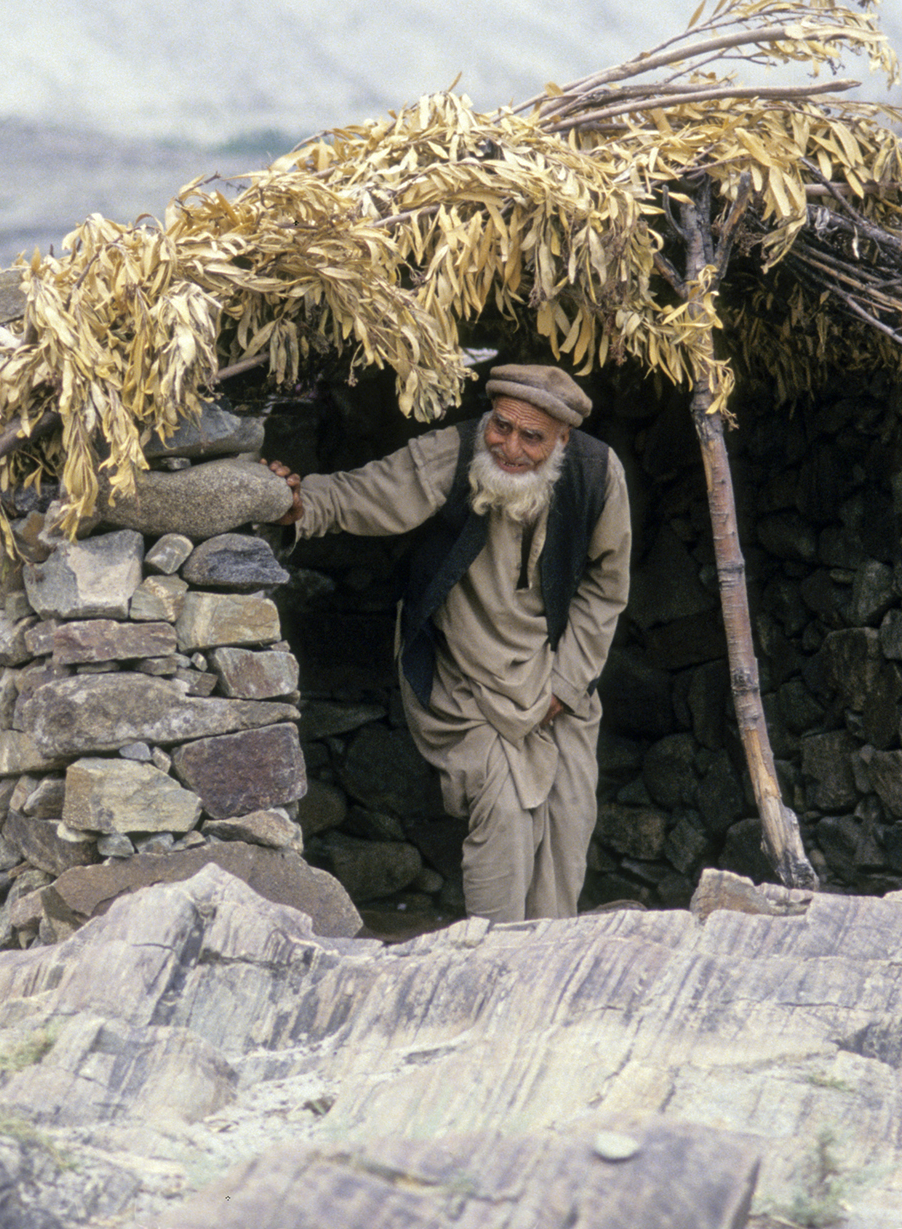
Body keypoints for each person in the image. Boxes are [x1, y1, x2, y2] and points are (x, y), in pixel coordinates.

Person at [267, 364, 630, 923]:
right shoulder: (456, 453)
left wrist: (568, 682)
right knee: (506, 816)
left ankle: (546, 973)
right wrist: (300, 504)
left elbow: (608, 586)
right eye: (500, 426)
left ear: (562, 438)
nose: (509, 447)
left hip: (558, 681)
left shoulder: (596, 473)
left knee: (568, 822)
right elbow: (370, 492)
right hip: (462, 680)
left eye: (530, 436)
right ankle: (491, 968)